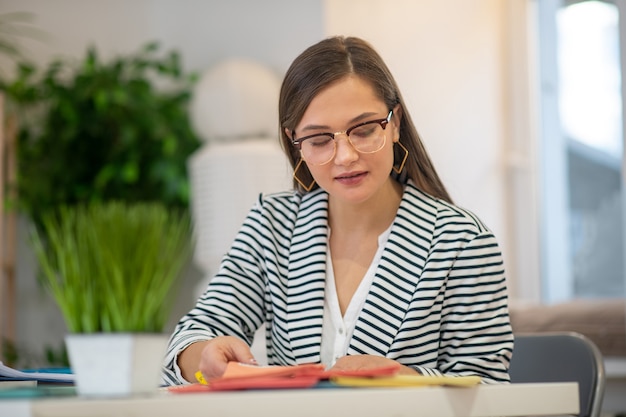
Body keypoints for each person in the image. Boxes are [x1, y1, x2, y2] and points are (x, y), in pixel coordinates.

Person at [162, 35, 513, 385]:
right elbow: (192, 335)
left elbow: (490, 388)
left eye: (363, 130)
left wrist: (404, 380)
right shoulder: (273, 225)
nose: (345, 156)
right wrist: (205, 353)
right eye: (319, 140)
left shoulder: (462, 242)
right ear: (295, 145)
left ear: (394, 124)